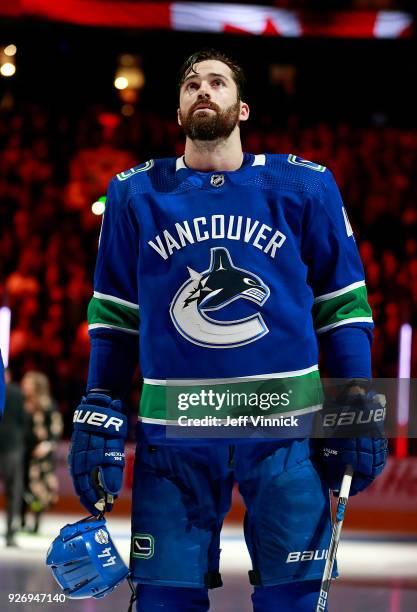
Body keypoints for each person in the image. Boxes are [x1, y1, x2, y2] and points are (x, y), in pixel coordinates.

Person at [69, 49, 387, 611]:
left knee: (292, 600)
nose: (203, 91)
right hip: (174, 436)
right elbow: (116, 316)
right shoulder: (133, 194)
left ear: (242, 108)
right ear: (178, 110)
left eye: (217, 83)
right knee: (165, 601)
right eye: (191, 84)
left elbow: (343, 309)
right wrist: (100, 401)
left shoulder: (305, 186)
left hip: (285, 430)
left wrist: (358, 406)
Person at [21, 371, 63, 533]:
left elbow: (56, 428)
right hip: (24, 451)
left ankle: (36, 522)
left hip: (41, 455)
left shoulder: (48, 405)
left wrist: (47, 445)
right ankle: (22, 521)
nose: (24, 386)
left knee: (38, 489)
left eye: (28, 383)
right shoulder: (23, 403)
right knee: (22, 487)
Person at [0, 369, 26, 546]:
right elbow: (24, 420)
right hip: (13, 447)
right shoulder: (17, 392)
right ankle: (10, 534)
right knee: (13, 492)